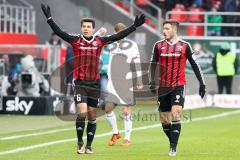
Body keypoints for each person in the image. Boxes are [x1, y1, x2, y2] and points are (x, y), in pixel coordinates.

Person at [41, 3, 145, 154]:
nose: (86, 28)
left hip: (95, 84)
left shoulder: (100, 41)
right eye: (84, 26)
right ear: (81, 27)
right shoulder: (75, 40)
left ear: (93, 29)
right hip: (80, 83)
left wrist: (134, 26)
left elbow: (118, 35)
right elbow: (59, 32)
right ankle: (79, 143)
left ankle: (89, 146)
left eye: (89, 26)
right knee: (81, 113)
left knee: (92, 116)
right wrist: (49, 18)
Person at [149, 20, 206, 156]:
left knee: (176, 113)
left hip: (178, 85)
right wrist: (151, 81)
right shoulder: (158, 45)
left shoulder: (185, 46)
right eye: (163, 29)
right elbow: (152, 64)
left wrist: (202, 83)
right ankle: (173, 141)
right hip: (163, 87)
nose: (164, 31)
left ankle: (173, 147)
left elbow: (194, 64)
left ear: (175, 30)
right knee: (164, 120)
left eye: (167, 29)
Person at [101, 23, 143, 146]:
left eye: (123, 32)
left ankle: (127, 138)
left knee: (126, 109)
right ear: (115, 32)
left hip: (127, 81)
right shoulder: (110, 43)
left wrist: (139, 79)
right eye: (119, 32)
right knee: (107, 108)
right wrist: (100, 33)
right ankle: (115, 133)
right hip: (112, 82)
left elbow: (137, 61)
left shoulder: (132, 45)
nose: (121, 35)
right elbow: (96, 42)